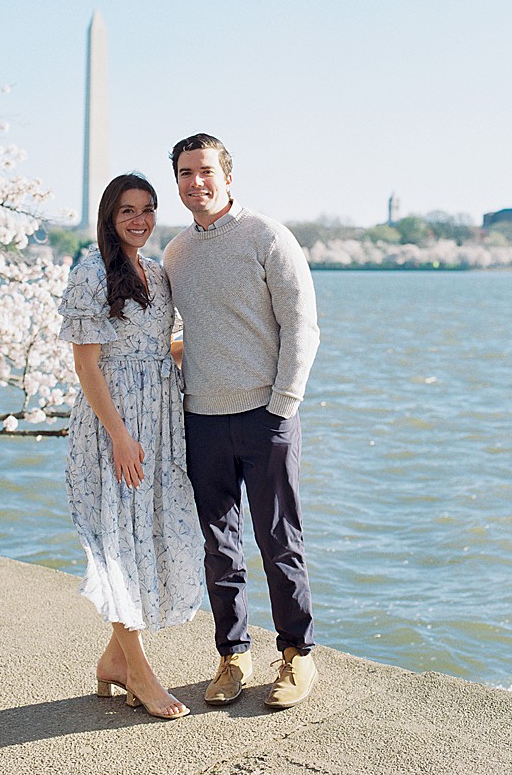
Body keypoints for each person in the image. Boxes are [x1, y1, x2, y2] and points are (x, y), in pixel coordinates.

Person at [163, 134, 320, 710]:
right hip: (202, 418)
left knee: (279, 541)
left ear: (227, 175)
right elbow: (186, 332)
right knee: (219, 546)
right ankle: (233, 654)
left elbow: (302, 327)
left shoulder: (268, 237)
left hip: (265, 416)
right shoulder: (176, 254)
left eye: (204, 171)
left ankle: (297, 655)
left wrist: (283, 405)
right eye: (184, 173)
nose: (194, 182)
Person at [58, 172, 203, 721]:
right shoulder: (91, 273)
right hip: (114, 426)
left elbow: (163, 344)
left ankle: (114, 663)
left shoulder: (160, 274)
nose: (139, 220)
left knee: (152, 533)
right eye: (127, 212)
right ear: (109, 217)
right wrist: (120, 435)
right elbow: (85, 364)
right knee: (118, 539)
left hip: (161, 421)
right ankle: (140, 672)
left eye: (147, 209)